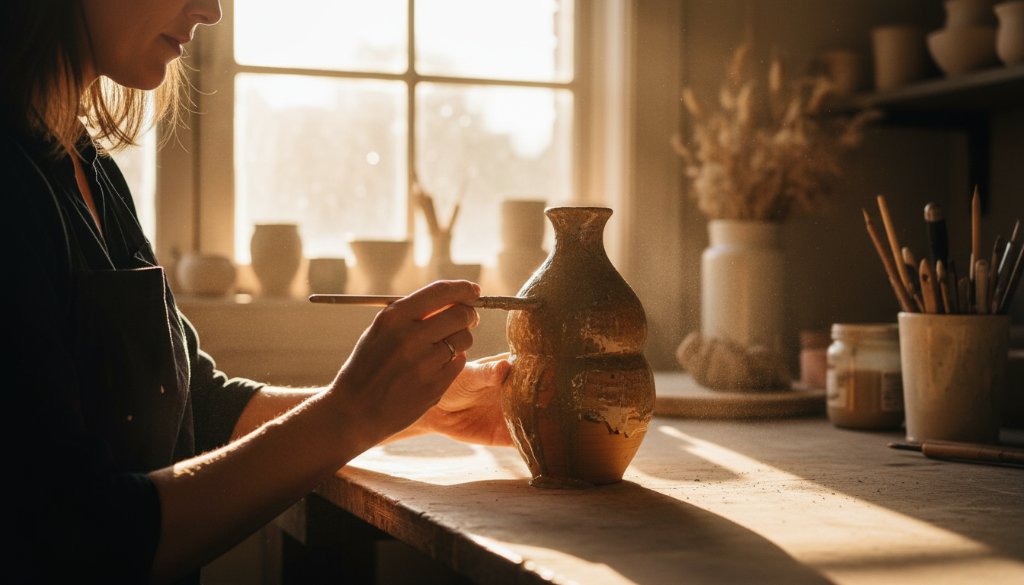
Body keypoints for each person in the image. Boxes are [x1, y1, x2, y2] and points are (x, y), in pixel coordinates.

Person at [2, 1, 513, 583]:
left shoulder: (86, 165)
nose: (211, 11)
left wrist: (419, 407)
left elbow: (200, 410)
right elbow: (84, 540)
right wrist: (350, 414)